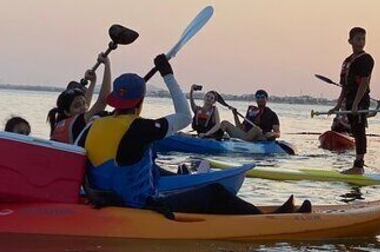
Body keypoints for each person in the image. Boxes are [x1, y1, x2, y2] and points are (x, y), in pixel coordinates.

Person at [81, 55, 308, 215]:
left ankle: (261, 213)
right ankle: (270, 221)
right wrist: (168, 74)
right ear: (140, 102)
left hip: (106, 201)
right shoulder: (138, 127)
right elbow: (184, 116)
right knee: (215, 194)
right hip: (135, 207)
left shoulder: (95, 124)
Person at [327, 27, 374, 174]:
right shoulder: (347, 61)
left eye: (363, 39)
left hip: (360, 99)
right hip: (350, 99)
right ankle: (357, 166)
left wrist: (355, 104)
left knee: (359, 131)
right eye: (358, 39)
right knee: (354, 128)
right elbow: (345, 87)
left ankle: (359, 166)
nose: (361, 42)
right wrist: (338, 105)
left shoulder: (366, 59)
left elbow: (364, 82)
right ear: (350, 41)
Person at [47, 53, 111, 145]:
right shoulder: (76, 123)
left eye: (83, 103)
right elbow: (103, 101)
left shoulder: (61, 124)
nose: (84, 107)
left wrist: (93, 82)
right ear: (67, 112)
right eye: (76, 106)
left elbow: (85, 106)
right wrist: (107, 65)